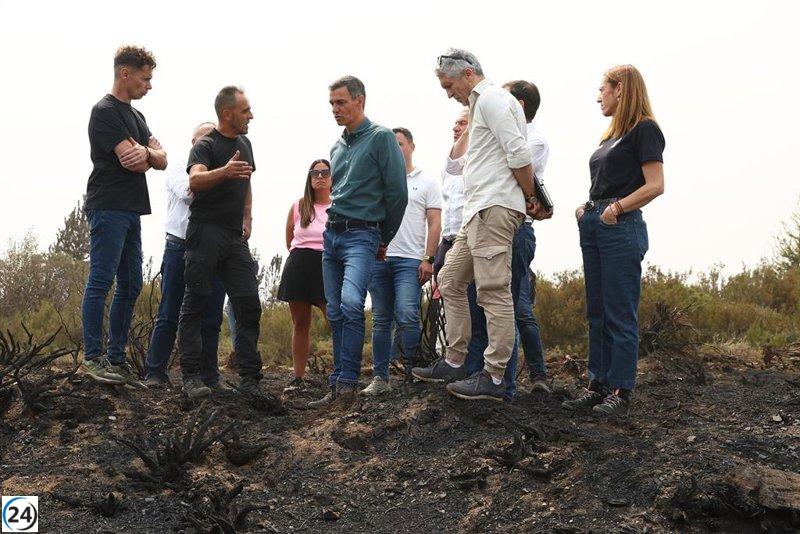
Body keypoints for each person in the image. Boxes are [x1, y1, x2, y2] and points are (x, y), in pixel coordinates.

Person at [412, 49, 547, 401]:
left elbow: (519, 153)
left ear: (468, 74)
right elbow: (458, 164)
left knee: (492, 291)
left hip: (494, 207)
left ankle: (495, 376)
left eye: (449, 85)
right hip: (476, 211)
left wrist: (531, 196)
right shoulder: (480, 106)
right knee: (450, 280)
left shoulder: (493, 99)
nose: (448, 93)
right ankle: (455, 360)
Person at [562, 64, 665, 416]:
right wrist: (587, 207)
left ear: (620, 89)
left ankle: (620, 391)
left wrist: (617, 207)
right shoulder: (611, 137)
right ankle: (598, 385)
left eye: (602, 89)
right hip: (595, 223)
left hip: (620, 226)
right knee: (597, 312)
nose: (598, 97)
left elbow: (655, 185)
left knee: (619, 313)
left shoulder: (645, 129)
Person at [309, 76, 407, 407]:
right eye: (331, 104)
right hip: (332, 236)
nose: (335, 109)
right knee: (335, 311)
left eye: (341, 102)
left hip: (363, 235)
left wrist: (383, 237)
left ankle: (349, 385)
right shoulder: (336, 147)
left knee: (352, 303)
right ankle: (338, 385)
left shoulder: (381, 138)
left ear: (360, 100)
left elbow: (398, 194)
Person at [81, 45, 167, 387]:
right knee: (101, 281)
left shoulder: (138, 117)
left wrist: (148, 152)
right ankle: (93, 358)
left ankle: (117, 360)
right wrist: (148, 154)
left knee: (131, 284)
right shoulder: (104, 111)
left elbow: (161, 159)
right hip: (108, 205)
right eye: (145, 79)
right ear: (125, 73)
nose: (149, 86)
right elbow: (130, 161)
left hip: (132, 209)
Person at [464, 80, 552, 400]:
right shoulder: (497, 133)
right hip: (492, 219)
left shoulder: (533, 139)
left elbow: (516, 166)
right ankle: (488, 377)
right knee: (491, 302)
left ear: (519, 105)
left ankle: (509, 383)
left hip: (515, 226)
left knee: (512, 305)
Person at [178, 86, 264, 399]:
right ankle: (191, 378)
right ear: (227, 114)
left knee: (248, 304)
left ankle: (250, 380)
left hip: (234, 237)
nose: (251, 115)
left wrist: (248, 215)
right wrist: (224, 172)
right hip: (205, 232)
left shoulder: (245, 143)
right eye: (245, 111)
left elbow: (247, 180)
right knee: (196, 303)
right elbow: (195, 180)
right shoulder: (206, 145)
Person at [143, 122, 228, 391]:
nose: (209, 144)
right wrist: (218, 181)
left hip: (213, 248)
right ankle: (155, 372)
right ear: (193, 142)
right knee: (170, 311)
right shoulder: (180, 167)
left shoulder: (223, 170)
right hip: (179, 246)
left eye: (214, 139)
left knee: (211, 315)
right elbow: (190, 193)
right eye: (204, 139)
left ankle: (210, 376)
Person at [361, 127, 442, 396]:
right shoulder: (377, 181)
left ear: (411, 146)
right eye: (391, 145)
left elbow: (434, 223)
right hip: (380, 258)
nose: (396, 149)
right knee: (381, 319)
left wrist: (429, 258)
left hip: (410, 260)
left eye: (400, 144)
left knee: (407, 312)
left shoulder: (427, 181)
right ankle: (380, 378)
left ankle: (412, 372)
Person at [277, 159, 332, 393]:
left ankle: (343, 375)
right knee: (300, 324)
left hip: (326, 266)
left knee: (335, 320)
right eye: (314, 173)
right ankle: (298, 378)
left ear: (332, 178)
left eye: (325, 173)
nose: (319, 177)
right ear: (309, 178)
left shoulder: (338, 206)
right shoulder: (299, 206)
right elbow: (289, 240)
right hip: (299, 265)